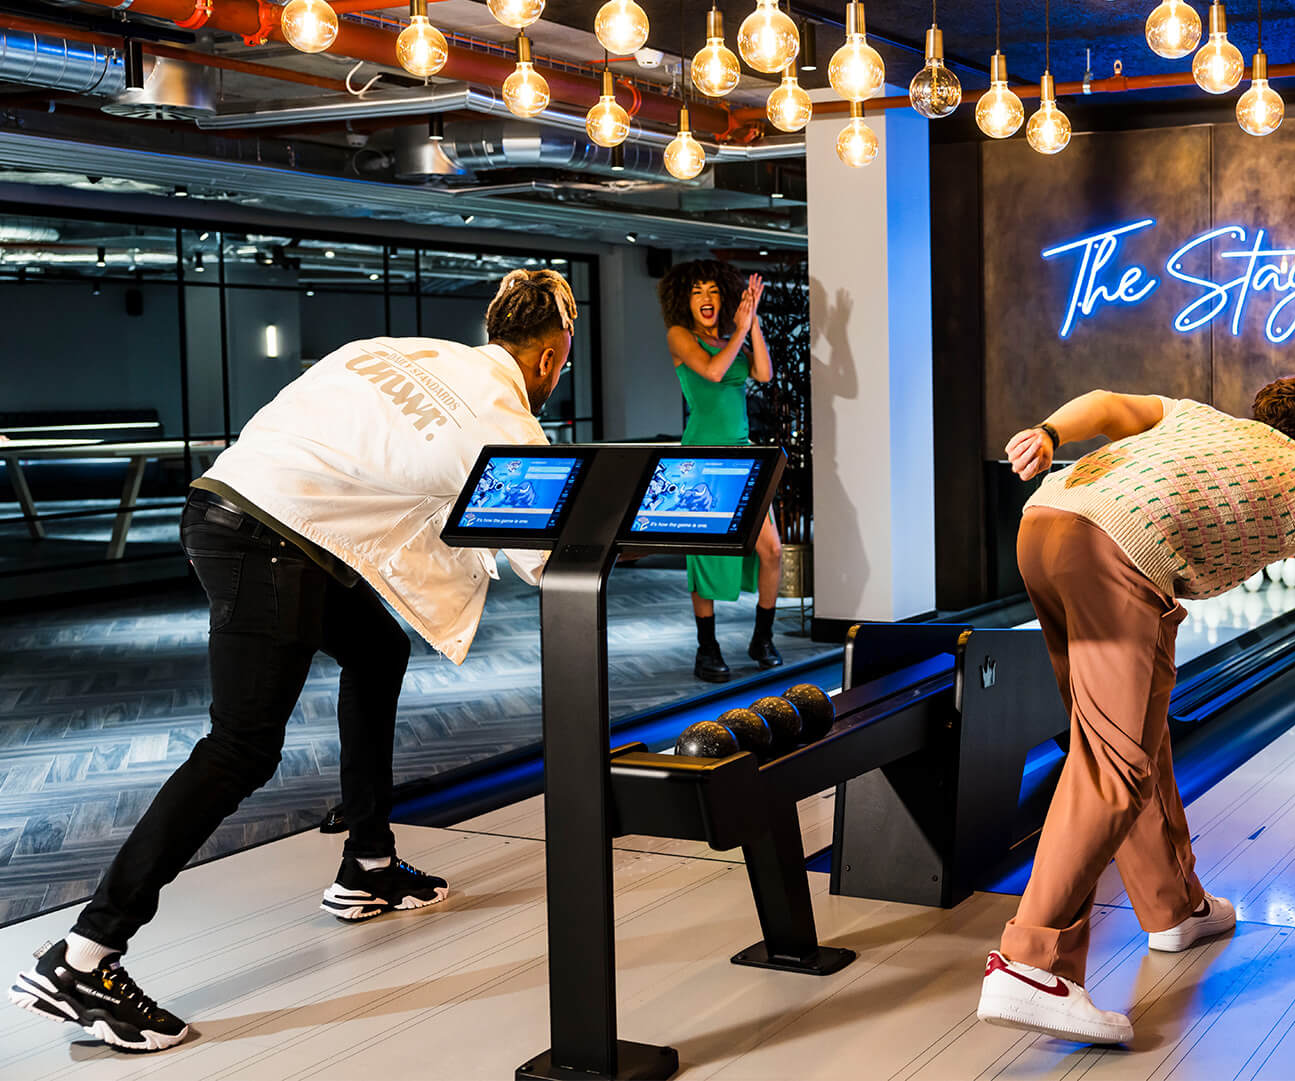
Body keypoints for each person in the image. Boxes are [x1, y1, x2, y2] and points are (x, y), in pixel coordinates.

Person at [9, 269, 578, 1053]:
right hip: (273, 547)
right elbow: (545, 559)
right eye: (564, 362)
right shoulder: (506, 419)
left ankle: (368, 864)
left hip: (228, 507)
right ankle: (84, 956)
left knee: (377, 647)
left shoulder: (404, 350)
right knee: (241, 747)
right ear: (552, 355)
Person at [976, 372, 1295, 1046]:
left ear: (1257, 413)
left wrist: (1047, 434)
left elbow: (1102, 404)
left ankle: (1174, 907)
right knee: (1114, 762)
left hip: (1045, 521)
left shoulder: (1197, 417)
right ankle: (1030, 964)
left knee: (1134, 733)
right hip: (1115, 554)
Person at [658, 259, 783, 683]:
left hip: (745, 456)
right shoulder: (680, 337)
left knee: (772, 550)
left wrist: (753, 323)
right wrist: (742, 332)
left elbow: (763, 374)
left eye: (713, 291)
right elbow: (712, 371)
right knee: (705, 557)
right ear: (684, 301)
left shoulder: (734, 339)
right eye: (697, 292)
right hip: (701, 458)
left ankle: (761, 639)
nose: (707, 299)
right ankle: (706, 648)